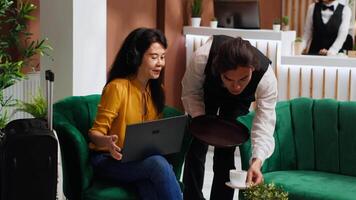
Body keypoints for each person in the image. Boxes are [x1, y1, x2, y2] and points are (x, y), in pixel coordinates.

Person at [88, 27, 182, 200]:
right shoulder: (117, 88)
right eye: (154, 57)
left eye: (162, 57)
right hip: (108, 160)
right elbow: (95, 134)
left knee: (149, 183)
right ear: (136, 57)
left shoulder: (156, 90)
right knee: (157, 165)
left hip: (136, 160)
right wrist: (107, 142)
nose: (160, 63)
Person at [181, 35, 277, 200]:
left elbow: (264, 122)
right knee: (197, 144)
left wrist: (257, 160)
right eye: (229, 79)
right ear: (219, 72)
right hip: (207, 92)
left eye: (243, 78)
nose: (236, 86)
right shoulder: (202, 58)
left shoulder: (266, 77)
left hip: (238, 101)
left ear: (252, 69)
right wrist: (202, 123)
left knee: (226, 147)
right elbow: (190, 92)